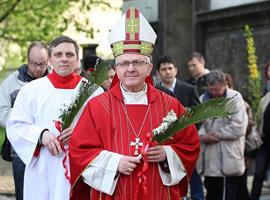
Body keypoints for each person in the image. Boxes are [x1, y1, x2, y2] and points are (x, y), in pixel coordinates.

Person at [69, 7, 200, 200]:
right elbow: (79, 152)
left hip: (158, 191)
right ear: (116, 68)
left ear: (149, 68)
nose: (130, 69)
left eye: (138, 63)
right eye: (124, 63)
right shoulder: (98, 106)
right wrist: (114, 163)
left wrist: (167, 154)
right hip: (115, 192)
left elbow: (190, 145)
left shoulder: (169, 105)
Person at [6, 36, 103, 200]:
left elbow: (105, 128)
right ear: (49, 60)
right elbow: (15, 125)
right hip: (43, 166)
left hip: (80, 166)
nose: (64, 59)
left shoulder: (93, 92)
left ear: (77, 60)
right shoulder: (31, 90)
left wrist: (81, 135)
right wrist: (41, 135)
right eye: (58, 55)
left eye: (69, 54)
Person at [0, 41, 49, 200]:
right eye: (34, 64)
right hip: (20, 150)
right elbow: (1, 110)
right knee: (24, 194)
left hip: (49, 148)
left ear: (48, 61)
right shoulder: (11, 83)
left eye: (42, 64)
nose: (38, 68)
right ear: (28, 60)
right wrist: (21, 121)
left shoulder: (54, 81)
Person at [157, 55, 203, 200]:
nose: (167, 72)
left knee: (192, 173)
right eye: (164, 69)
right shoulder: (154, 91)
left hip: (184, 140)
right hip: (163, 142)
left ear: (176, 70)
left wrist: (187, 132)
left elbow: (198, 115)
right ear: (158, 73)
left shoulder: (188, 89)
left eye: (170, 68)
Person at [197, 70, 248, 200]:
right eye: (212, 90)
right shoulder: (203, 99)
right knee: (212, 193)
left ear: (225, 84)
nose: (215, 93)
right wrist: (202, 137)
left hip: (228, 158)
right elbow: (199, 125)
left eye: (218, 90)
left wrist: (218, 134)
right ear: (207, 85)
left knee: (227, 195)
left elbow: (239, 127)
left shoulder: (235, 97)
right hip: (208, 159)